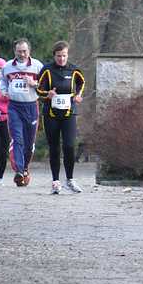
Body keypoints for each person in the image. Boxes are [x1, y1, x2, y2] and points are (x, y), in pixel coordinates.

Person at [37, 41, 86, 194]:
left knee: (69, 145)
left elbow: (81, 83)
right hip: (51, 114)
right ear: (54, 55)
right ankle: (56, 182)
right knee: (54, 147)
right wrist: (48, 94)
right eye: (59, 56)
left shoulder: (74, 70)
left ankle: (70, 180)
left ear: (67, 55)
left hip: (69, 113)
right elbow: (38, 89)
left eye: (64, 55)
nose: (62, 59)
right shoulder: (47, 70)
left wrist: (78, 95)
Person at [0, 38, 44, 187]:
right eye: (19, 51)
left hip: (31, 106)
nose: (22, 54)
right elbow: (3, 81)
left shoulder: (37, 66)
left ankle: (25, 169)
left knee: (29, 143)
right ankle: (18, 170)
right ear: (15, 51)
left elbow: (45, 85)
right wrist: (3, 91)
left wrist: (34, 83)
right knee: (17, 138)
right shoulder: (7, 67)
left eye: (24, 51)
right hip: (14, 107)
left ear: (29, 51)